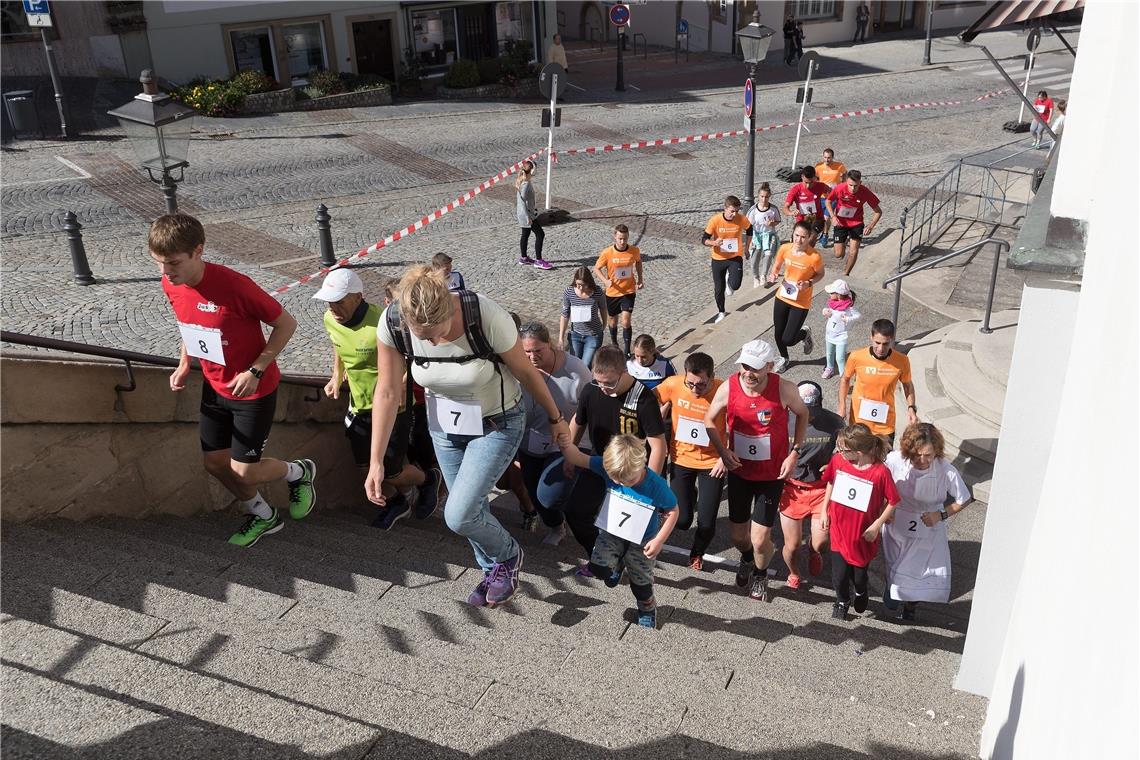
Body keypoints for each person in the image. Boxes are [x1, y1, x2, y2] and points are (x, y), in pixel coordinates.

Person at [366, 266, 571, 607]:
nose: (430, 343)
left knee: (459, 513)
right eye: (423, 337)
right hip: (445, 426)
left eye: (436, 334)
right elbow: (387, 391)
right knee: (470, 508)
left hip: (498, 422)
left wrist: (555, 417)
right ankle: (492, 570)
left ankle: (507, 556)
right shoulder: (393, 323)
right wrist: (375, 461)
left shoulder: (484, 315)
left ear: (449, 308)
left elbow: (525, 371)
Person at [148, 213, 315, 547]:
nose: (166, 273)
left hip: (253, 392)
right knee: (214, 463)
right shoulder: (172, 284)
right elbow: (189, 324)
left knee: (245, 471)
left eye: (174, 264)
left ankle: (300, 472)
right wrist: (184, 363)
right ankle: (264, 516)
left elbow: (287, 325)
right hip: (214, 386)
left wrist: (255, 370)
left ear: (199, 250)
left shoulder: (234, 285)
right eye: (160, 264)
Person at [314, 268, 438, 529]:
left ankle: (428, 479)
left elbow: (414, 359)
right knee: (365, 467)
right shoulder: (330, 318)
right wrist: (337, 374)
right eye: (329, 301)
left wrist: (403, 385)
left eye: (339, 300)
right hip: (359, 404)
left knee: (391, 469)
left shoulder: (384, 322)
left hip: (395, 406)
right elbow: (337, 344)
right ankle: (398, 502)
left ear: (358, 297)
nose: (333, 307)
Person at [536, 344, 667, 570]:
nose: (604, 388)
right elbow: (578, 421)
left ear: (624, 373)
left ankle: (630, 563)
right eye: (599, 381)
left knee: (626, 528)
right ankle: (602, 560)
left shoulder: (644, 399)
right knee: (577, 513)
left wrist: (649, 483)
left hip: (632, 472)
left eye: (610, 383)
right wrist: (569, 454)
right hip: (600, 462)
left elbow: (658, 446)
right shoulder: (591, 389)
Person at [704, 340, 808, 602]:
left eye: (756, 368)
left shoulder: (784, 389)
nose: (748, 373)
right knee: (739, 536)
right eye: (744, 366)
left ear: (770, 367)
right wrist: (722, 451)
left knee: (761, 538)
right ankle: (747, 558)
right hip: (739, 471)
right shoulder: (730, 386)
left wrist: (795, 452)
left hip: (771, 475)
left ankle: (761, 574)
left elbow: (803, 414)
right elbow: (709, 419)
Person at [558, 434, 678, 628]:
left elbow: (673, 510)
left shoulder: (656, 485)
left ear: (640, 465)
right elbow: (578, 457)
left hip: (643, 539)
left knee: (640, 582)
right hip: (613, 530)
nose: (620, 482)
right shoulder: (612, 468)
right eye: (615, 478)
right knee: (598, 568)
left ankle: (647, 607)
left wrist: (659, 540)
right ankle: (615, 564)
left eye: (626, 479)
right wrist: (564, 442)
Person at [882, 423, 972, 621]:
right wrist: (884, 510)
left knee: (918, 568)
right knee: (894, 561)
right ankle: (893, 588)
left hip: (927, 527)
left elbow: (963, 498)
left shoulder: (945, 469)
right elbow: (882, 483)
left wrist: (940, 515)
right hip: (897, 521)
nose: (922, 460)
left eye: (928, 455)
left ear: (936, 452)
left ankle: (910, 605)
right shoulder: (895, 460)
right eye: (917, 454)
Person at [515, 320, 592, 546]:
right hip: (531, 442)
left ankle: (574, 512)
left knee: (548, 496)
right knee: (535, 494)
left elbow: (588, 410)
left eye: (537, 350)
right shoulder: (520, 367)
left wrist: (574, 448)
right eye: (526, 351)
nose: (531, 356)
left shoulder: (576, 370)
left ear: (550, 345)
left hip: (566, 443)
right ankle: (556, 525)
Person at [820, 424, 900, 620]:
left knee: (859, 576)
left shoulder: (880, 472)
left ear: (857, 452)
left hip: (862, 534)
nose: (839, 452)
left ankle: (860, 592)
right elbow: (830, 480)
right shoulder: (838, 460)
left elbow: (894, 500)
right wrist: (824, 510)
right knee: (838, 576)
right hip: (839, 529)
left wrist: (877, 524)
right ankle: (841, 600)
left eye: (843, 449)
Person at [655, 352, 726, 570]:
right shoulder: (673, 384)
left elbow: (740, 425)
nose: (695, 389)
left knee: (706, 523)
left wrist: (726, 456)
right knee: (682, 520)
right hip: (681, 458)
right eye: (691, 384)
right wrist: (660, 417)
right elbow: (649, 400)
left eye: (702, 385)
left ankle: (697, 552)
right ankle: (690, 495)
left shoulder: (724, 390)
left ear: (713, 376)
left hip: (712, 463)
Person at [778, 381, 844, 589]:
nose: (808, 415)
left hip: (820, 490)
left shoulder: (835, 423)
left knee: (821, 542)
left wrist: (833, 462)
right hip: (791, 489)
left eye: (812, 410)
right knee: (792, 545)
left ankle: (814, 552)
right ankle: (794, 572)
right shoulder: (781, 420)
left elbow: (845, 451)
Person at [838, 319, 917, 448]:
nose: (880, 348)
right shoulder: (856, 357)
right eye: (877, 343)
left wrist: (911, 408)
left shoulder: (902, 360)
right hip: (859, 423)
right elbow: (844, 379)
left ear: (892, 339)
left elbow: (908, 384)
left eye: (886, 344)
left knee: (883, 463)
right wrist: (842, 405)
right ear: (871, 337)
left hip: (885, 425)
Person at [766, 220, 826, 373]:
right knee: (778, 333)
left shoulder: (814, 256)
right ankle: (784, 358)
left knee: (788, 339)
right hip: (783, 296)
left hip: (801, 301)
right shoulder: (785, 248)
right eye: (797, 235)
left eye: (803, 237)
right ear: (792, 233)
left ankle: (804, 333)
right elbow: (777, 264)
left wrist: (809, 283)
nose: (799, 240)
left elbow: (820, 274)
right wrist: (773, 274)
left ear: (809, 237)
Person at [594, 224, 643, 357]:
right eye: (620, 238)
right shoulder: (607, 253)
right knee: (613, 321)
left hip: (628, 291)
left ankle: (627, 350)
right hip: (612, 292)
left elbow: (638, 262)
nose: (622, 242)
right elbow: (596, 268)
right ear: (615, 237)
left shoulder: (634, 251)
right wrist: (605, 281)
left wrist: (640, 279)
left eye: (625, 239)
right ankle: (615, 344)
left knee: (626, 321)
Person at [702, 195, 753, 324]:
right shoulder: (715, 220)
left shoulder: (741, 219)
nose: (734, 214)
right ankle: (721, 311)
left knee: (735, 285)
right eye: (732, 211)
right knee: (719, 289)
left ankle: (729, 281)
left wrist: (747, 247)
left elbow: (750, 229)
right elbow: (704, 240)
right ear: (725, 208)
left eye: (736, 211)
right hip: (718, 258)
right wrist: (714, 243)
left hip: (734, 257)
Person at [824, 169, 882, 276]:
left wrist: (870, 226)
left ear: (860, 183)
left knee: (853, 251)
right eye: (850, 185)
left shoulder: (865, 192)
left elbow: (878, 212)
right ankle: (845, 241)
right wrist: (832, 216)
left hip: (856, 223)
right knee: (838, 254)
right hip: (841, 223)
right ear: (846, 181)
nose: (853, 188)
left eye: (856, 186)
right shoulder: (840, 188)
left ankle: (846, 274)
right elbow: (828, 201)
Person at [558, 266, 607, 369]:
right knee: (574, 365)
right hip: (575, 334)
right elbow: (565, 314)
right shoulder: (569, 292)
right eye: (578, 284)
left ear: (589, 282)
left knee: (585, 365)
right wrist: (561, 338)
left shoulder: (597, 292)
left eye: (583, 285)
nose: (580, 288)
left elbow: (603, 308)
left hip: (593, 335)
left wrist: (605, 323)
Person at [820, 279, 860, 380]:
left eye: (831, 293)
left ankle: (844, 376)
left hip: (841, 336)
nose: (829, 295)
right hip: (829, 334)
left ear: (838, 294)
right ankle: (829, 368)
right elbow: (829, 312)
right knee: (829, 353)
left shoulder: (848, 308)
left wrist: (848, 319)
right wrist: (825, 311)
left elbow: (858, 316)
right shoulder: (832, 303)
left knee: (840, 357)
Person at [783, 166, 831, 248]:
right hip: (802, 221)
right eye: (806, 182)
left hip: (817, 219)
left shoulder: (821, 186)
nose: (808, 185)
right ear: (802, 177)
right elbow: (785, 208)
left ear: (815, 178)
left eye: (811, 182)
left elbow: (832, 193)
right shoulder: (795, 190)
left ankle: (807, 255)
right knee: (796, 244)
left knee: (812, 236)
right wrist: (791, 212)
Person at [516, 160, 551, 270]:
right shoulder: (525, 184)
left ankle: (524, 258)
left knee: (525, 234)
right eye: (535, 168)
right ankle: (539, 261)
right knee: (540, 234)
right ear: (532, 170)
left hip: (523, 214)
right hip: (527, 215)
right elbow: (522, 202)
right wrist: (528, 218)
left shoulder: (523, 181)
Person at [746, 182, 781, 289]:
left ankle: (763, 276)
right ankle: (756, 277)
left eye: (766, 197)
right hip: (756, 235)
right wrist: (750, 241)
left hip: (769, 235)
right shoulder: (753, 210)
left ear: (769, 196)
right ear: (758, 196)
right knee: (754, 258)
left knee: (769, 254)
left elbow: (778, 220)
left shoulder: (773, 209)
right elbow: (748, 225)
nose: (764, 199)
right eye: (762, 196)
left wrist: (772, 223)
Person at [814, 148, 847, 247]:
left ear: (832, 157)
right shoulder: (818, 167)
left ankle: (825, 235)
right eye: (825, 157)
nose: (827, 160)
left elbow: (845, 174)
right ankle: (822, 232)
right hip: (821, 197)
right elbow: (815, 179)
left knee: (826, 217)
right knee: (820, 217)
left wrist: (842, 185)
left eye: (829, 158)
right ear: (822, 156)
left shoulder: (839, 166)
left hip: (833, 197)